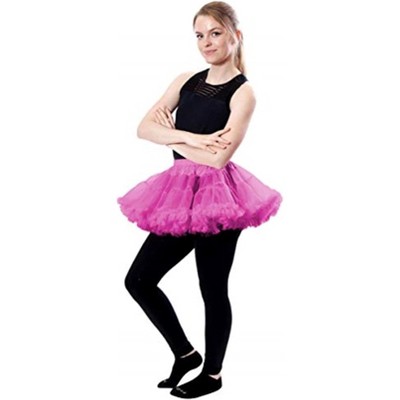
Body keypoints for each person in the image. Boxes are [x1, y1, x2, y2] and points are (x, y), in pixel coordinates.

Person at [117, 2, 282, 398]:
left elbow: (218, 158)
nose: (206, 42)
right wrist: (190, 138)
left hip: (219, 200)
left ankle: (212, 374)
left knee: (212, 287)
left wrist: (171, 136)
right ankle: (185, 354)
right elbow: (143, 128)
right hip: (177, 196)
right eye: (199, 35)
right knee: (138, 280)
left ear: (235, 36)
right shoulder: (185, 81)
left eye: (215, 33)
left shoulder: (243, 93)